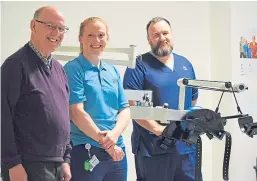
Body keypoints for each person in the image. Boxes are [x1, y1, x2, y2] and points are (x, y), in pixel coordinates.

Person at [123, 17, 200, 181]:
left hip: (185, 148)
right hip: (153, 149)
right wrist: (162, 131)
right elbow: (136, 109)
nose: (162, 38)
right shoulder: (138, 66)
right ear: (149, 39)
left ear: (172, 35)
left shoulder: (185, 64)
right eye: (156, 35)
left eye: (165, 33)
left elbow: (192, 101)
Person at [1, 6, 71, 181]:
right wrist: (12, 163)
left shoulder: (59, 70)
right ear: (33, 26)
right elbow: (2, 116)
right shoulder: (15, 65)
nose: (56, 32)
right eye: (50, 25)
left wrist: (66, 159)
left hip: (57, 165)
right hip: (27, 165)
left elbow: (64, 116)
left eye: (61, 28)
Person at [63, 17, 131, 181]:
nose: (97, 40)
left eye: (101, 35)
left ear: (107, 38)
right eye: (91, 35)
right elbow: (76, 113)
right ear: (80, 38)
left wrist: (113, 137)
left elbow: (124, 109)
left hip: (117, 151)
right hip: (86, 148)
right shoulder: (73, 69)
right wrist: (106, 143)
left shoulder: (112, 71)